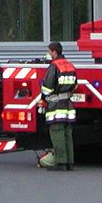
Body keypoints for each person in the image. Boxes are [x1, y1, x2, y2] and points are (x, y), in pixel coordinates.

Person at [37, 42, 78, 171]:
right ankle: (69, 162)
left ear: (54, 52)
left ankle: (60, 163)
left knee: (57, 132)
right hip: (68, 104)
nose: (48, 54)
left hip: (56, 106)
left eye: (49, 51)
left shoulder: (54, 66)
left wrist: (43, 99)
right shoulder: (69, 65)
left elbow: (47, 87)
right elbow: (75, 85)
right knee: (67, 134)